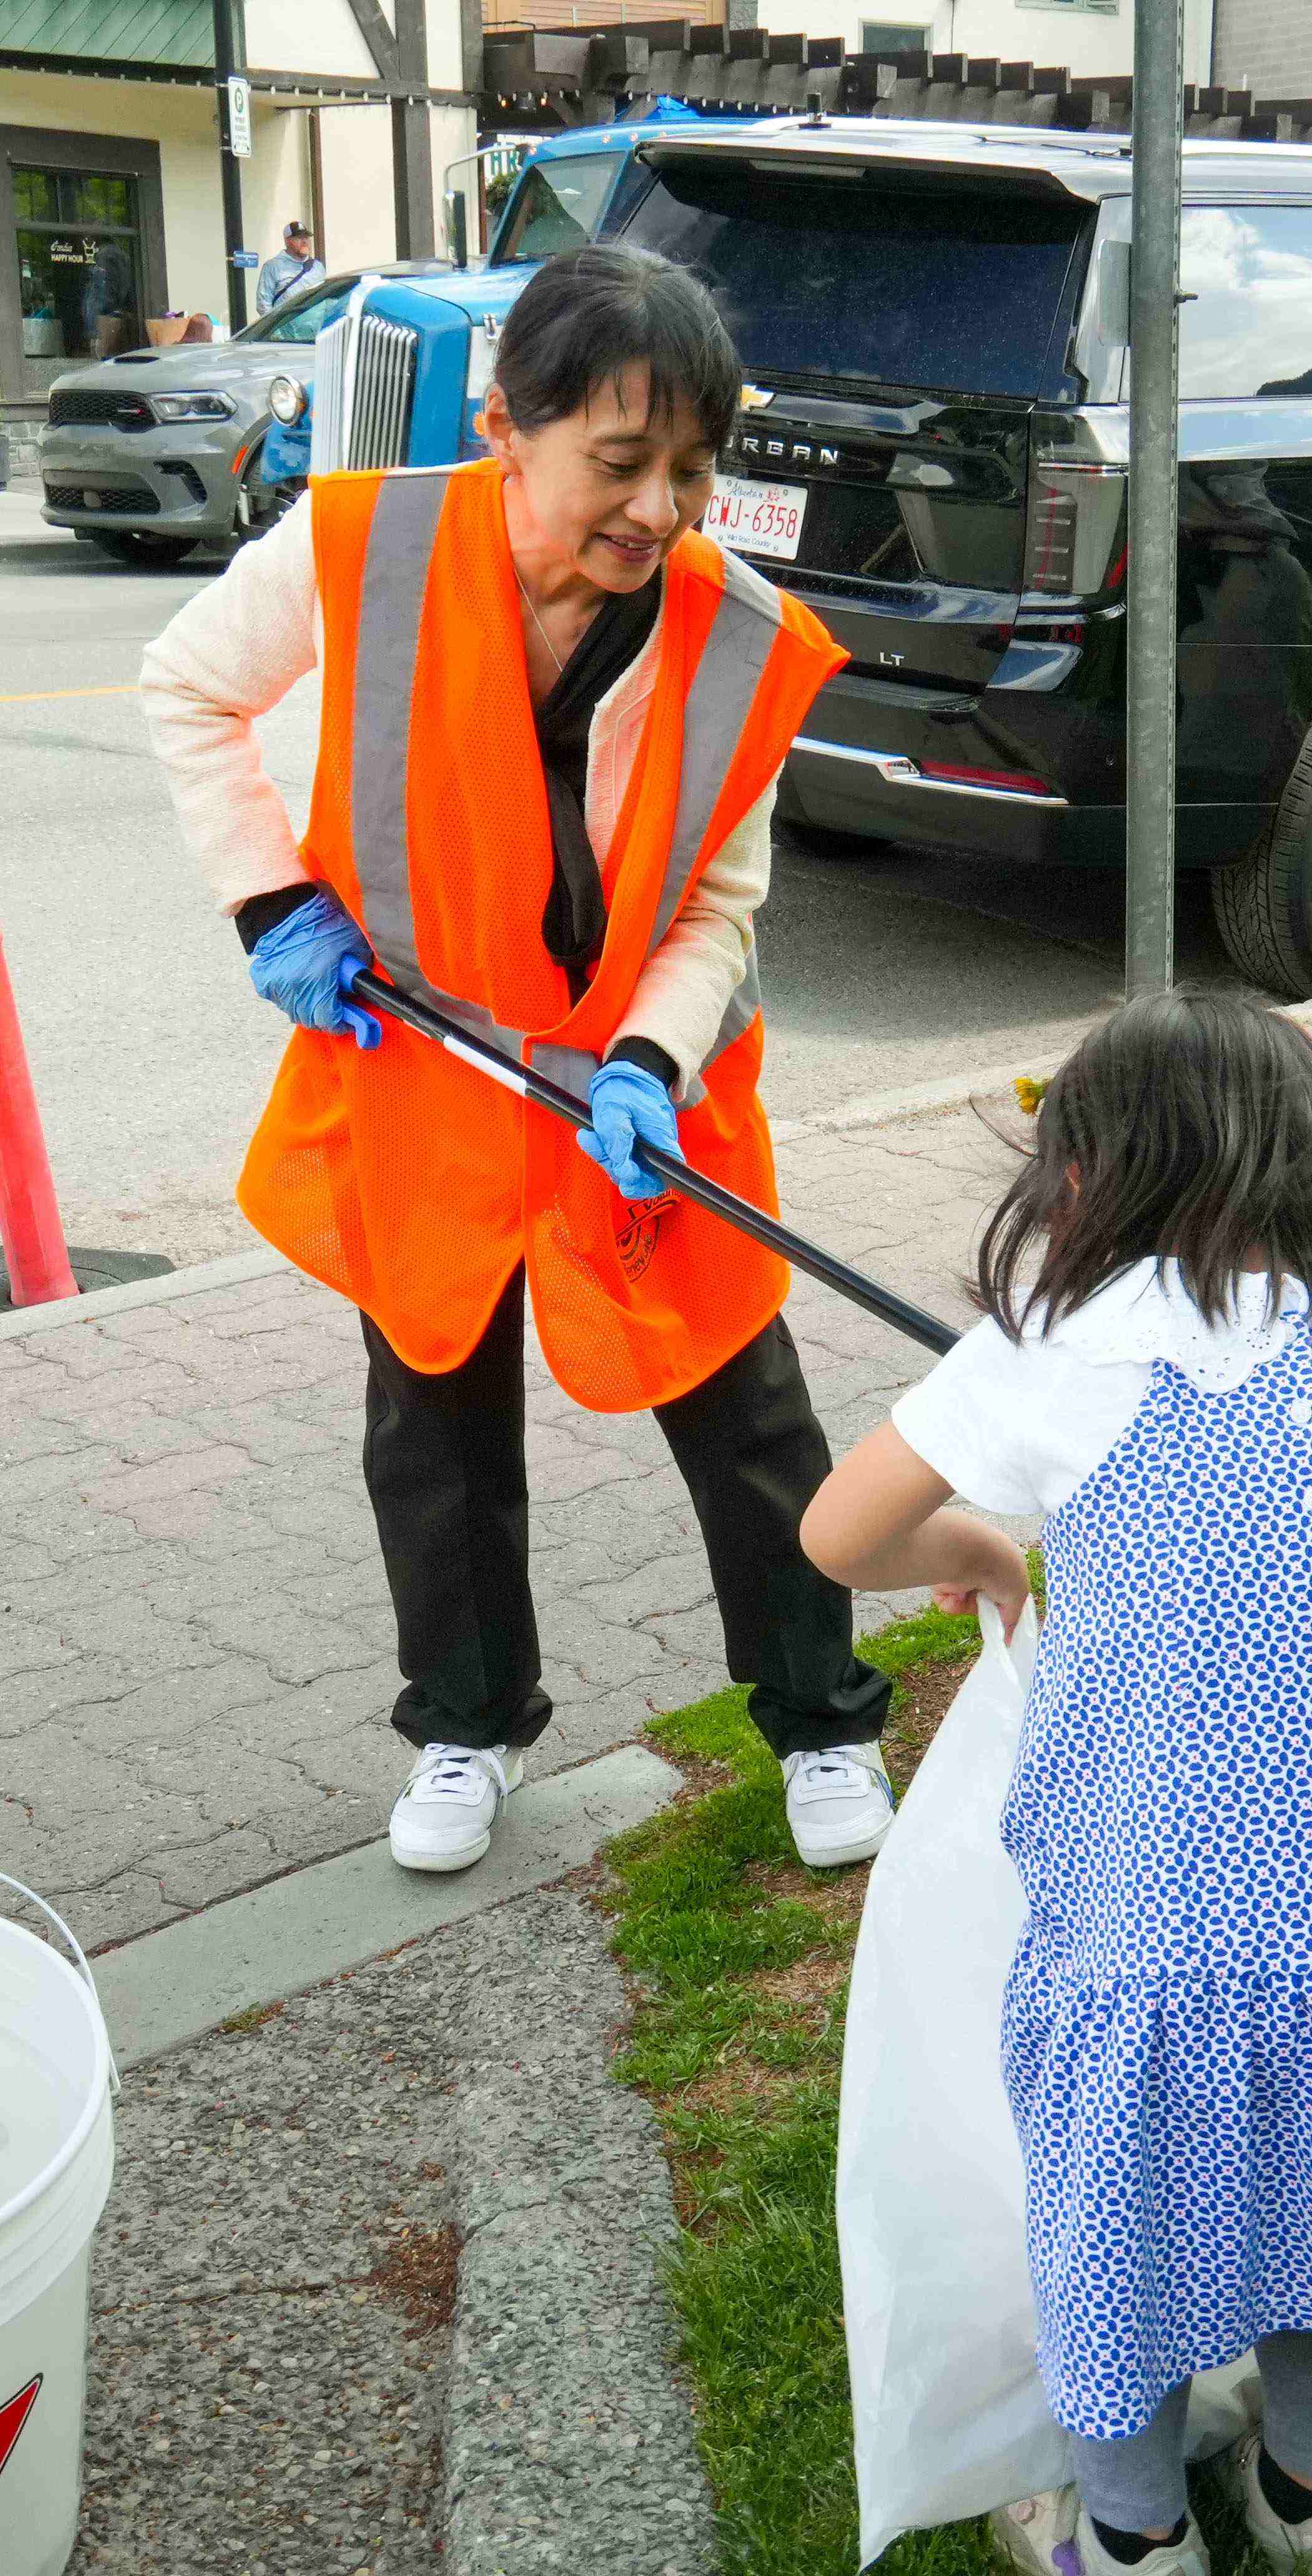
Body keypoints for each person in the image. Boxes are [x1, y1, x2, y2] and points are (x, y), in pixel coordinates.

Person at [140, 243, 893, 1879]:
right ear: (505, 423)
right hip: (424, 1063)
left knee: (738, 1398)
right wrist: (274, 901)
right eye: (619, 463)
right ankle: (465, 1730)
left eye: (691, 470)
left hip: (636, 1088)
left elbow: (721, 906)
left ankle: (825, 1721)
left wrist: (646, 1060)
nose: (658, 511)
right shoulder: (356, 547)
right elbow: (188, 686)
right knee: (432, 1418)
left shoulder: (740, 638)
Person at [802, 990, 1312, 2576]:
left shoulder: (1049, 1356)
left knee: (1129, 2215)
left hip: (1155, 1919)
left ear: (1088, 1176)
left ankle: (1134, 2536)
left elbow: (838, 1534)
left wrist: (987, 1550)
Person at [257, 222, 325, 315]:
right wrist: (276, 329)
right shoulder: (272, 267)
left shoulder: (317, 267)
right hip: (286, 328)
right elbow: (263, 305)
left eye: (306, 237)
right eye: (299, 238)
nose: (304, 241)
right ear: (287, 241)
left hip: (319, 328)